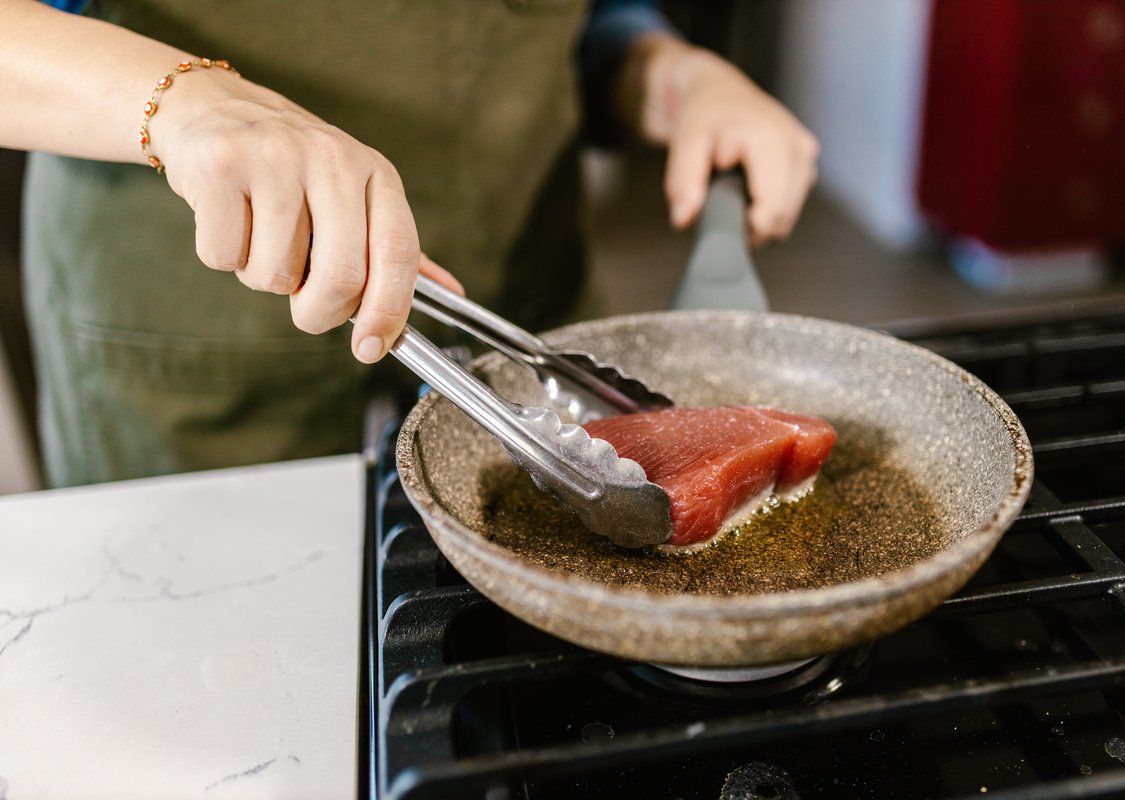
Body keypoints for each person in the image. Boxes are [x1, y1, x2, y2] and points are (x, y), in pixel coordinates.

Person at [0, 0, 819, 487]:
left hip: (524, 316)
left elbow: (575, 22)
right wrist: (189, 104)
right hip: (200, 358)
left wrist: (661, 67)